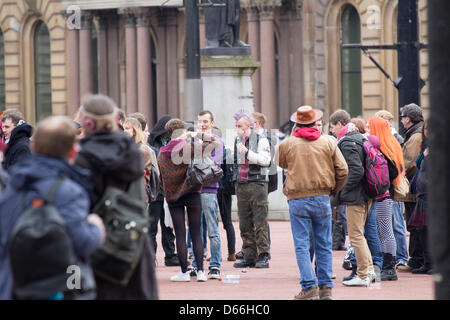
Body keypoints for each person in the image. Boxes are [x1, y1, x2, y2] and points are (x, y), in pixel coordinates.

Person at [0, 115, 105, 300]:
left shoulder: (14, 186)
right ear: (72, 152)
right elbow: (81, 242)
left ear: (33, 147)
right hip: (58, 284)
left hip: (15, 284)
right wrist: (96, 228)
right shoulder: (70, 191)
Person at [75, 94, 158, 299]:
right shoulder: (132, 152)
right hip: (134, 241)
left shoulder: (80, 158)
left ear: (86, 121)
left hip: (98, 244)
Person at [274, 106, 348, 300]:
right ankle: (326, 288)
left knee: (302, 244)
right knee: (324, 243)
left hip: (297, 198)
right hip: (322, 197)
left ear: (296, 123)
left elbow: (280, 163)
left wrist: (292, 136)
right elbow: (343, 170)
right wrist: (334, 189)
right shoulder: (328, 142)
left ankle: (309, 287)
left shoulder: (288, 144)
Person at [158, 119, 221, 282]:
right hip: (192, 192)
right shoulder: (188, 148)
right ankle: (200, 271)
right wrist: (198, 134)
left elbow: (162, 178)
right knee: (196, 232)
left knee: (180, 233)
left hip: (173, 195)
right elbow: (216, 143)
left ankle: (184, 272)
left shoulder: (162, 151)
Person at [329, 110, 375, 287]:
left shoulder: (347, 142)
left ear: (340, 124)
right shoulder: (360, 137)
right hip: (366, 194)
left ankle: (363, 274)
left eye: (332, 127)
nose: (331, 131)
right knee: (360, 235)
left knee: (356, 235)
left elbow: (356, 170)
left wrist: (342, 189)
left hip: (355, 197)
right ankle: (369, 270)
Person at [368, 116, 406, 281]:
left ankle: (389, 267)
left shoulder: (382, 147)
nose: (369, 131)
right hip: (388, 193)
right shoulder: (392, 144)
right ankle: (388, 265)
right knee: (385, 230)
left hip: (383, 194)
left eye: (371, 128)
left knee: (385, 230)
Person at [232, 109, 271, 269]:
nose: (237, 128)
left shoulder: (261, 140)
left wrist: (248, 153)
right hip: (241, 184)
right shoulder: (237, 141)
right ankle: (249, 255)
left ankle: (263, 255)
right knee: (244, 222)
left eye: (239, 125)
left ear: (248, 125)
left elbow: (265, 160)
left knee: (260, 221)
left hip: (257, 183)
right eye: (236, 125)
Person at [148, 115, 179, 267]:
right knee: (152, 226)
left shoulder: (174, 142)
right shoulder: (152, 142)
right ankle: (151, 256)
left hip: (169, 189)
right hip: (156, 191)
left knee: (168, 226)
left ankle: (170, 255)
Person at [397, 103, 425, 273]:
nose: (401, 120)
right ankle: (418, 259)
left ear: (407, 119)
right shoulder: (416, 133)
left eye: (402, 117)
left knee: (414, 225)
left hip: (413, 187)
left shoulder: (414, 136)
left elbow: (409, 163)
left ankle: (416, 260)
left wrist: (399, 176)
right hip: (417, 185)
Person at [408, 121, 432, 274]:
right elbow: (417, 163)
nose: (427, 131)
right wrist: (424, 154)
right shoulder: (426, 146)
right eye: (426, 128)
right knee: (421, 230)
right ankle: (427, 263)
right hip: (422, 195)